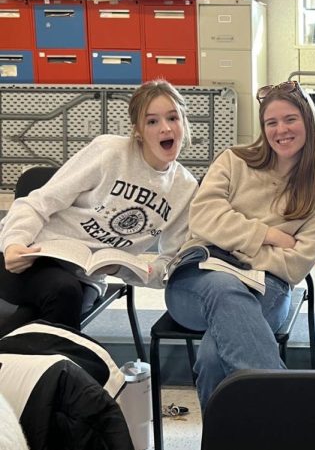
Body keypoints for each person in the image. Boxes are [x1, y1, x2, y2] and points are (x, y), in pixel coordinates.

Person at [165, 79, 315, 450]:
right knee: (221, 286)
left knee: (219, 353)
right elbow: (203, 220)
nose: (280, 129)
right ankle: (291, 431)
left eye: (290, 119)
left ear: (307, 124)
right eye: (272, 121)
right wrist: (266, 236)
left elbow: (296, 264)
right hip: (197, 279)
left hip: (268, 290)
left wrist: (243, 246)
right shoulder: (234, 160)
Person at [0, 79, 198, 331]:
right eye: (152, 121)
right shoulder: (110, 151)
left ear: (184, 122)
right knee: (52, 302)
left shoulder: (186, 188)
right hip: (31, 255)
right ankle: (57, 367)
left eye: (173, 118)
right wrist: (14, 242)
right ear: (137, 129)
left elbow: (168, 267)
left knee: (59, 298)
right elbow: (39, 202)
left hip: (86, 278)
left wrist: (122, 269)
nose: (165, 128)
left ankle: (53, 367)